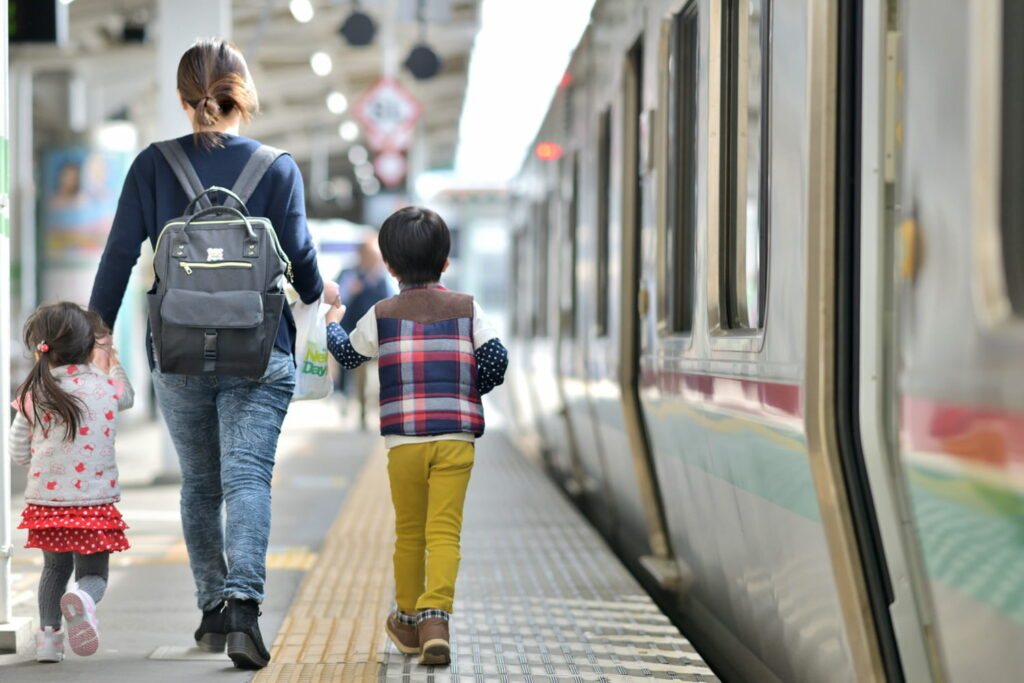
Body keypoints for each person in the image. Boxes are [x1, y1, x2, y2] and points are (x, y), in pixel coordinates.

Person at [88, 39, 340, 670]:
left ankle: (210, 612)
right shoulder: (276, 167)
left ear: (182, 99)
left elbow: (118, 259)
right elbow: (303, 263)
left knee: (201, 485)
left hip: (177, 353)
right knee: (248, 478)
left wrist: (97, 338)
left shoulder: (152, 166)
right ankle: (245, 617)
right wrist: (319, 294)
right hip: (259, 352)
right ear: (244, 96)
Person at [324, 206, 509, 665]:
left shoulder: (382, 313)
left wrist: (331, 322)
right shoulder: (466, 308)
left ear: (389, 266)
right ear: (445, 262)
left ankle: (407, 620)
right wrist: (469, 390)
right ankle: (435, 618)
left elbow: (347, 357)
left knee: (410, 532)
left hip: (404, 442)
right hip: (456, 440)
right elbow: (496, 360)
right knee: (444, 531)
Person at [8, 302, 135, 663]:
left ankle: (48, 641)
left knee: (54, 570)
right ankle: (83, 598)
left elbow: (18, 451)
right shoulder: (106, 387)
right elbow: (128, 396)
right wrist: (111, 360)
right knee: (93, 574)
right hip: (94, 504)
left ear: (41, 347)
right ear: (88, 346)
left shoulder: (34, 391)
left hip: (48, 505)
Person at [333, 233, 396, 427]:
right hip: (354, 334)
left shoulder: (383, 277)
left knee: (378, 377)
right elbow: (335, 299)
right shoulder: (349, 274)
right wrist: (350, 291)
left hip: (379, 336)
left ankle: (376, 410)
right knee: (358, 375)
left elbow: (393, 300)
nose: (373, 260)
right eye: (369, 255)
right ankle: (359, 411)